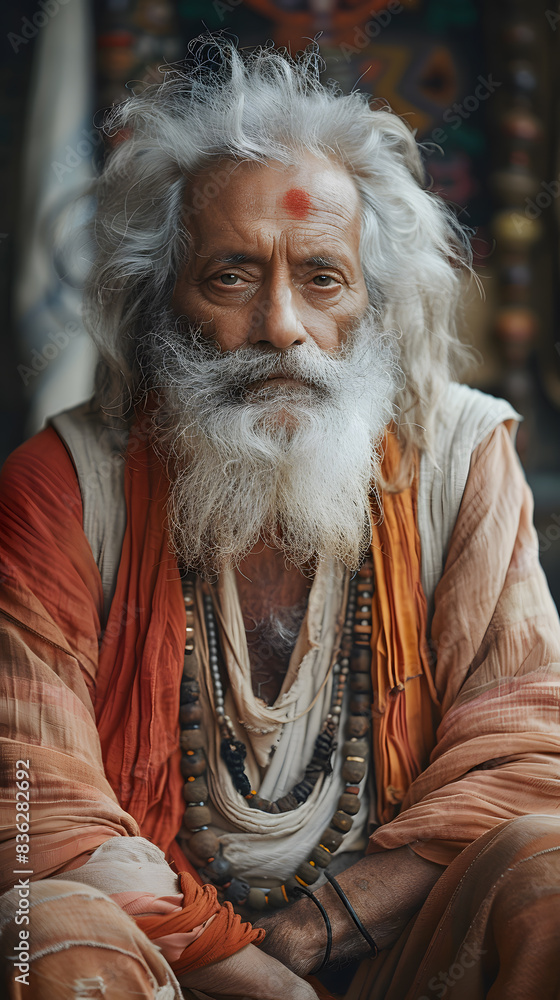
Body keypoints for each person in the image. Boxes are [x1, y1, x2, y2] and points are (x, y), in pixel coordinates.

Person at [1, 38, 560, 1000]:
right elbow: (27, 799)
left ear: (372, 310)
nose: (282, 327)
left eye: (322, 278)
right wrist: (251, 977)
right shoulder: (62, 480)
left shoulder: (463, 457)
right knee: (37, 926)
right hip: (162, 962)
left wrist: (308, 938)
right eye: (230, 276)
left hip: (402, 957)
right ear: (159, 302)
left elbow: (528, 752)